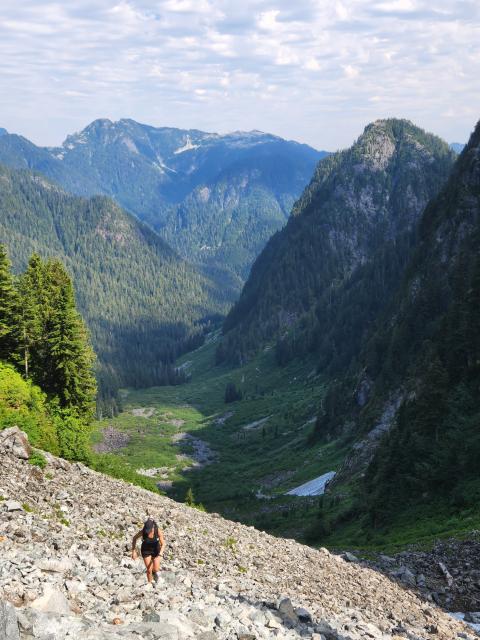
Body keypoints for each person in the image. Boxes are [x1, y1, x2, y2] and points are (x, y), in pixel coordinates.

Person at [131, 518, 165, 583]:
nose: (147, 531)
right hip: (146, 550)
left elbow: (163, 544)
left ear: (153, 527)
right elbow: (134, 538)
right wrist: (133, 551)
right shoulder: (143, 531)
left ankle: (154, 573)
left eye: (149, 530)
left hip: (156, 550)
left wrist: (160, 554)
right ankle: (150, 585)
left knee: (156, 569)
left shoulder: (157, 530)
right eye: (147, 530)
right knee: (149, 570)